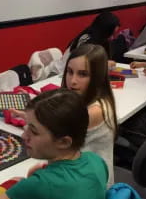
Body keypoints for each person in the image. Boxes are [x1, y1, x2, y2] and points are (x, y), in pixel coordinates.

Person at [11, 44, 117, 187]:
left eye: (82, 74)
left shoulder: (93, 112)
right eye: (70, 71)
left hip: (88, 187)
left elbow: (52, 135)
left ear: (97, 77)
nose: (72, 81)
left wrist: (33, 120)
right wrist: (31, 118)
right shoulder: (98, 101)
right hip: (83, 177)